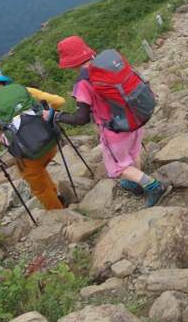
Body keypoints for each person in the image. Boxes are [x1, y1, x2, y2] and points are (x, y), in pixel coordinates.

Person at [54, 36, 171, 207]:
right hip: (133, 118)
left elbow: (81, 119)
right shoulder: (108, 65)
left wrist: (56, 116)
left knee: (119, 168)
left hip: (114, 130)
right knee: (132, 154)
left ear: (70, 63)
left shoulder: (83, 83)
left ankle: (155, 186)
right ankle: (136, 183)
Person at [0, 67, 67, 210]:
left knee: (39, 186)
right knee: (40, 171)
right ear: (3, 82)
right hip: (51, 142)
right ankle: (57, 196)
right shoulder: (26, 91)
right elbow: (59, 101)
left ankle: (57, 212)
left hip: (28, 155)